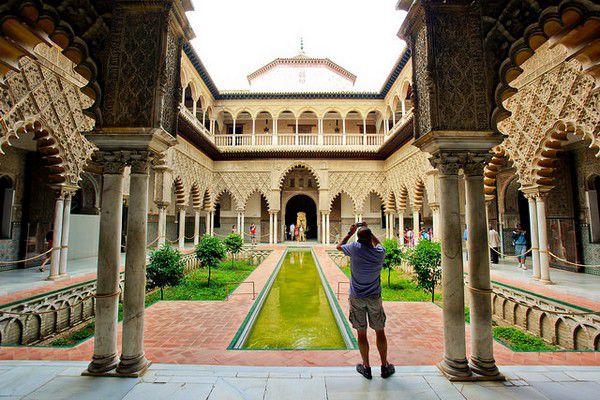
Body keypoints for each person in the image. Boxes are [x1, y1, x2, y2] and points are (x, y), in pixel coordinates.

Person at [336, 222, 395, 380]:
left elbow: (339, 247)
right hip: (374, 297)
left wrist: (350, 232)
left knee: (361, 334)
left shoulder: (354, 249)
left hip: (357, 298)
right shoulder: (379, 253)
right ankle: (384, 366)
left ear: (358, 238)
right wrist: (370, 233)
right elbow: (378, 244)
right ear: (370, 238)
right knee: (379, 331)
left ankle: (366, 367)